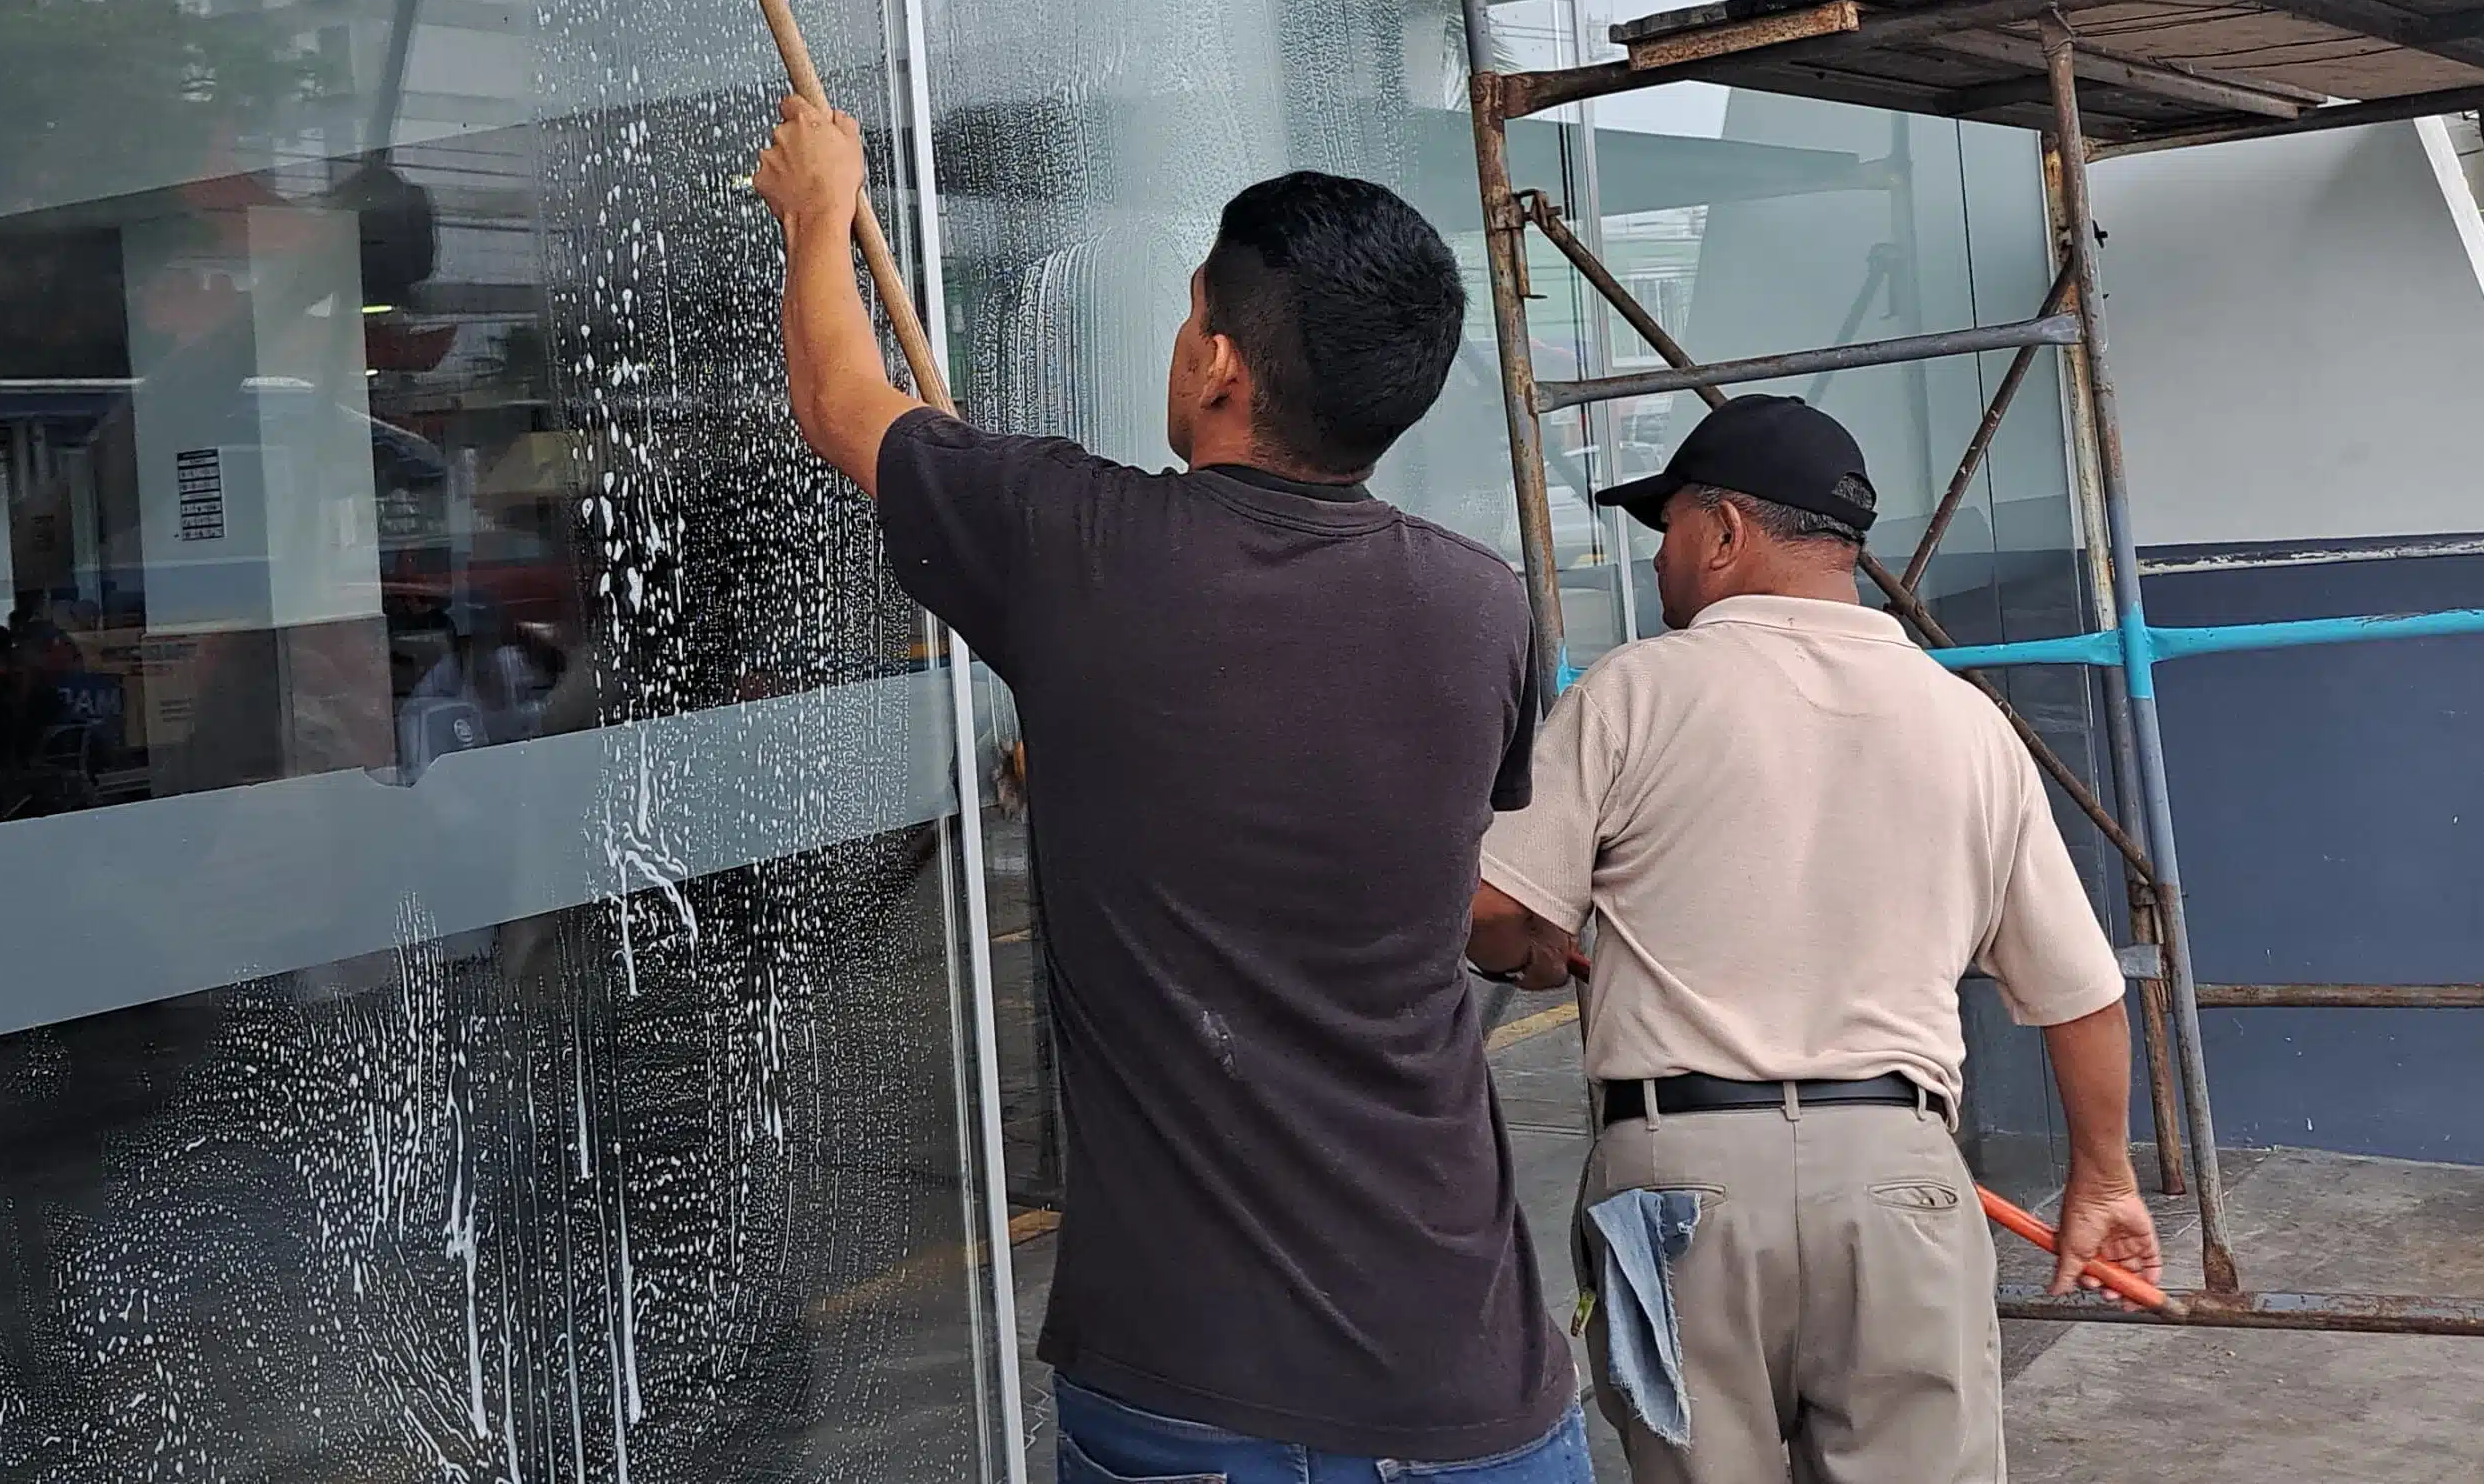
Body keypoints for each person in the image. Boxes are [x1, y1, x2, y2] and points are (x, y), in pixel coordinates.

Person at [750, 101, 1584, 1484]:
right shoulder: (1484, 607)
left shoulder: (1075, 547)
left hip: (1190, 1388)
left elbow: (841, 395)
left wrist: (817, 208)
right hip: (1469, 1380)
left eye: (1191, 310)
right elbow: (1384, 841)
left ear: (1217, 363)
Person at [1467, 397, 2158, 1484]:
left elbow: (1493, 911)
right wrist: (2102, 1179)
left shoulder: (1634, 691)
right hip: (1898, 1182)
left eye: (1668, 530)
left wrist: (1531, 951)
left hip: (1678, 1184)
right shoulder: (1966, 722)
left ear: (1725, 531)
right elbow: (2080, 994)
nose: (1658, 561)